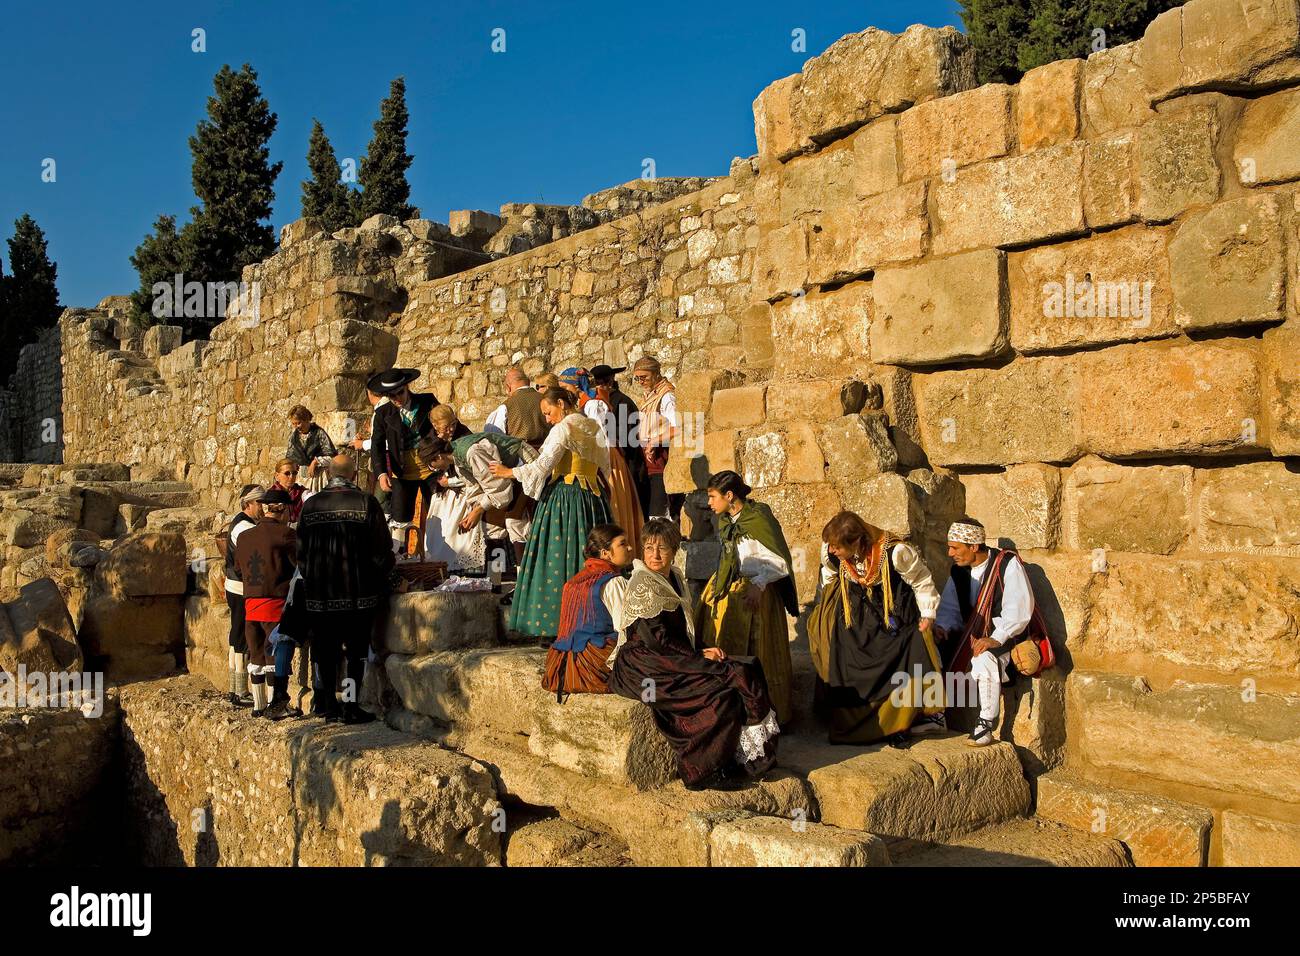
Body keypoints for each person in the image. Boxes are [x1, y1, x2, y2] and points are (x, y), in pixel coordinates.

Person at [608, 518, 780, 791]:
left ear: (674, 549)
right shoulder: (643, 583)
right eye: (650, 547)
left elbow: (681, 629)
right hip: (645, 666)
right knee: (718, 693)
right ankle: (701, 770)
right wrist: (699, 658)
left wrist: (701, 649)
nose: (655, 555)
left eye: (662, 548)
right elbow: (658, 640)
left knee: (745, 667)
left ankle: (749, 758)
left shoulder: (673, 576)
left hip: (670, 655)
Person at [807, 511, 946, 745]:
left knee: (910, 647)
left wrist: (928, 615)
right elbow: (829, 578)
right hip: (856, 614)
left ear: (857, 542)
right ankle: (852, 724)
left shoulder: (896, 552)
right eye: (830, 546)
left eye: (837, 547)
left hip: (893, 613)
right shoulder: (832, 554)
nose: (832, 551)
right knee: (844, 652)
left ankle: (901, 724)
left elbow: (922, 582)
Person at [489, 386, 612, 642]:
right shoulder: (592, 426)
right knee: (589, 556)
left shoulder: (563, 428)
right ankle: (592, 621)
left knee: (556, 557)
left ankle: (557, 625)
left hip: (564, 500)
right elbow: (606, 466)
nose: (547, 419)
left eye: (548, 412)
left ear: (561, 403)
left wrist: (508, 472)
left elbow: (542, 466)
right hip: (592, 499)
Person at [296, 453, 395, 723]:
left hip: (320, 597)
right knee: (355, 654)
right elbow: (381, 551)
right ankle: (350, 705)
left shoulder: (311, 505)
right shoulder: (366, 502)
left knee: (324, 652)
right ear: (353, 475)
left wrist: (313, 580)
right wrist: (381, 578)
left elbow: (301, 553)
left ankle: (327, 702)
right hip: (357, 596)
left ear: (329, 474)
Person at [694, 471, 797, 724]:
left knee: (758, 650)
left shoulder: (759, 518)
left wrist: (759, 585)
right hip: (731, 583)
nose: (709, 503)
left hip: (758, 590)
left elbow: (780, 561)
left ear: (729, 496)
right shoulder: (725, 520)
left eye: (712, 497)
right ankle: (727, 705)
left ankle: (763, 711)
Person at [935, 518, 1037, 748]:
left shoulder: (1006, 564)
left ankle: (985, 724)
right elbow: (950, 609)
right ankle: (934, 714)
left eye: (955, 547)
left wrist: (995, 638)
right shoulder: (959, 572)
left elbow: (1019, 609)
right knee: (929, 648)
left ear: (973, 546)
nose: (950, 553)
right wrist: (942, 628)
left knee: (983, 657)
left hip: (1004, 638)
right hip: (967, 637)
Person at [422, 428, 538, 568]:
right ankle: (496, 580)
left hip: (526, 468)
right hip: (507, 479)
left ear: (439, 456)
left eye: (431, 465)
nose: (434, 469)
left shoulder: (472, 453)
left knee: (514, 522)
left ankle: (524, 580)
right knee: (491, 525)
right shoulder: (457, 458)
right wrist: (475, 510)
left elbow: (499, 488)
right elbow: (473, 486)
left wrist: (478, 510)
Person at [541, 523, 632, 699]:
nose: (629, 547)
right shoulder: (614, 582)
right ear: (606, 553)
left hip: (560, 667)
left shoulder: (573, 581)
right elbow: (625, 629)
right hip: (593, 666)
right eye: (622, 543)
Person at [234, 488, 297, 717]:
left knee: (256, 653)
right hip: (275, 603)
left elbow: (239, 569)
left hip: (250, 603)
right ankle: (275, 705)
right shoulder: (286, 535)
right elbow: (299, 566)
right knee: (273, 654)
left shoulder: (244, 537)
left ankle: (258, 705)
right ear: (282, 510)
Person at [573, 365, 645, 558]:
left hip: (611, 458)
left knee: (616, 505)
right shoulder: (613, 401)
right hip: (617, 458)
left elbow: (609, 436)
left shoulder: (598, 404)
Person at [367, 367, 440, 553]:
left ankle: (437, 559)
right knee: (399, 521)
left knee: (439, 515)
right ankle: (400, 562)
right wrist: (381, 473)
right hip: (402, 472)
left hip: (431, 470)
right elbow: (376, 445)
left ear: (407, 386)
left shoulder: (428, 402)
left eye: (400, 393)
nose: (397, 399)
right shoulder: (383, 413)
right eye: (391, 396)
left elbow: (445, 426)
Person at [421, 405, 486, 572]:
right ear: (435, 425)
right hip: (442, 493)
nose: (450, 430)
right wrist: (436, 472)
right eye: (445, 427)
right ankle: (439, 568)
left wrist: (450, 482)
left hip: (461, 491)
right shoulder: (431, 437)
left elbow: (472, 473)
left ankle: (460, 568)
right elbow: (428, 461)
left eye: (453, 425)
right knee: (438, 533)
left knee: (455, 532)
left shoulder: (464, 435)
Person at [220, 484, 265, 709]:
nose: (263, 507)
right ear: (248, 504)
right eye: (259, 503)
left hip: (234, 585)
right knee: (241, 639)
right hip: (239, 587)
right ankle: (240, 690)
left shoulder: (240, 523)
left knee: (235, 635)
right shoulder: (245, 527)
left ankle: (234, 688)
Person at [590, 363, 648, 514]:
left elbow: (627, 437)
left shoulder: (621, 402)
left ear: (609, 382)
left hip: (627, 463)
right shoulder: (599, 403)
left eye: (599, 384)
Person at [632, 355, 679, 519]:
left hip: (661, 460)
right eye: (637, 378)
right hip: (649, 463)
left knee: (660, 515)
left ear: (656, 373)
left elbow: (678, 428)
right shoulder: (649, 396)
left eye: (644, 377)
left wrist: (654, 441)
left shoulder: (667, 396)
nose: (640, 382)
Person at [284, 404, 337, 494]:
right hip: (300, 478)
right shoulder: (294, 437)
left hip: (317, 477)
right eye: (294, 423)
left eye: (299, 423)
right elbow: (290, 458)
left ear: (307, 420)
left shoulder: (319, 433)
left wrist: (315, 462)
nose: (297, 426)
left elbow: (332, 457)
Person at [501, 366, 549, 446]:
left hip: (520, 456)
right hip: (550, 453)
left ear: (508, 387)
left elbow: (494, 439)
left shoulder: (505, 407)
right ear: (528, 382)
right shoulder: (547, 400)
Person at [271, 458, 307, 525]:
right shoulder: (271, 495)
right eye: (287, 473)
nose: (291, 477)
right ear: (277, 476)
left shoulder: (302, 492)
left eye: (294, 473)